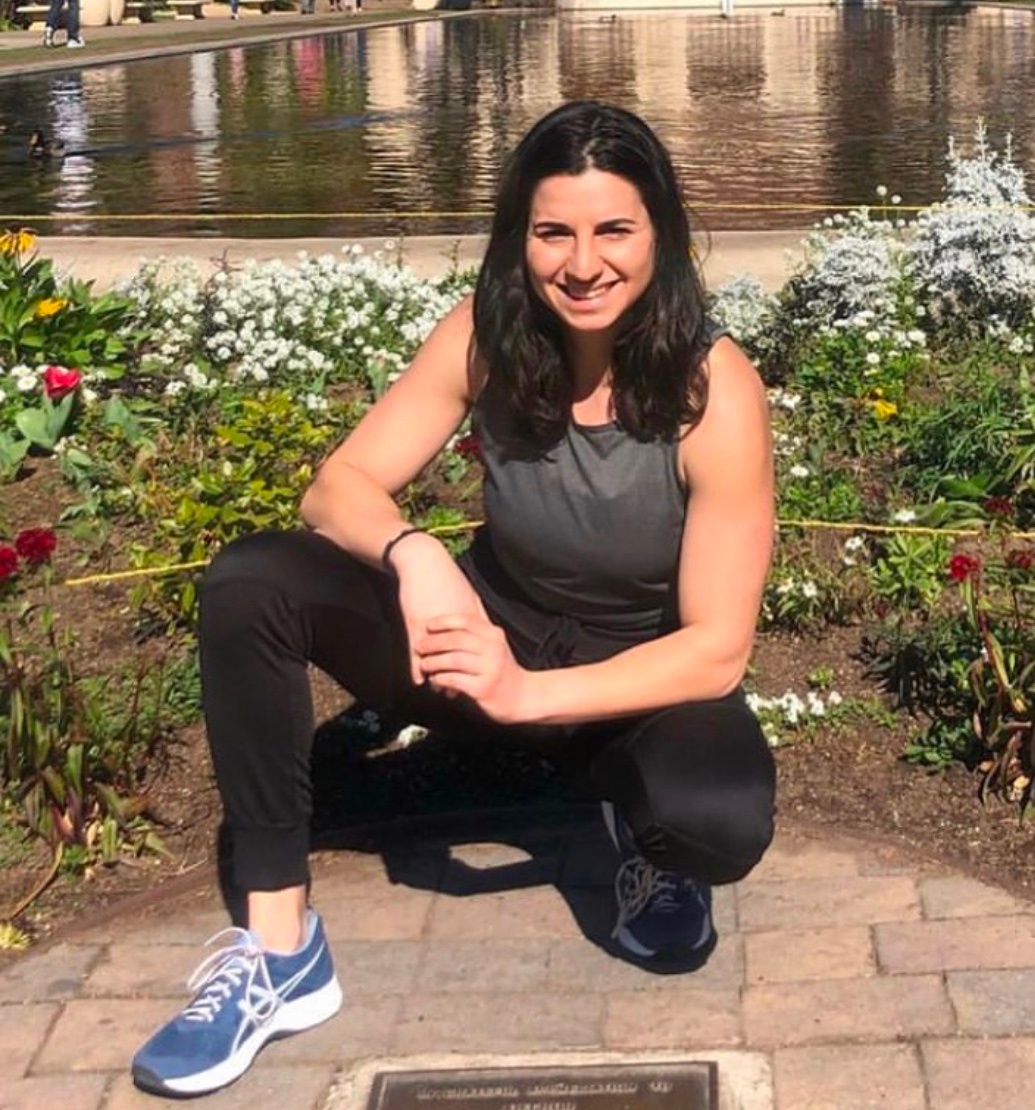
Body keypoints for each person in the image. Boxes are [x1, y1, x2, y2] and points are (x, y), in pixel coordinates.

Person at [131, 99, 778, 1099]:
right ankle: (280, 951)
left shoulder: (713, 389)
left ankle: (634, 830)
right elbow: (337, 487)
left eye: (614, 230)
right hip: (480, 641)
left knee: (716, 816)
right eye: (553, 232)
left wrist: (529, 696)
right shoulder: (485, 338)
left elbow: (716, 648)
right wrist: (415, 551)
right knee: (253, 580)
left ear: (661, 234)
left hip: (630, 688)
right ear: (520, 237)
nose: (583, 264)